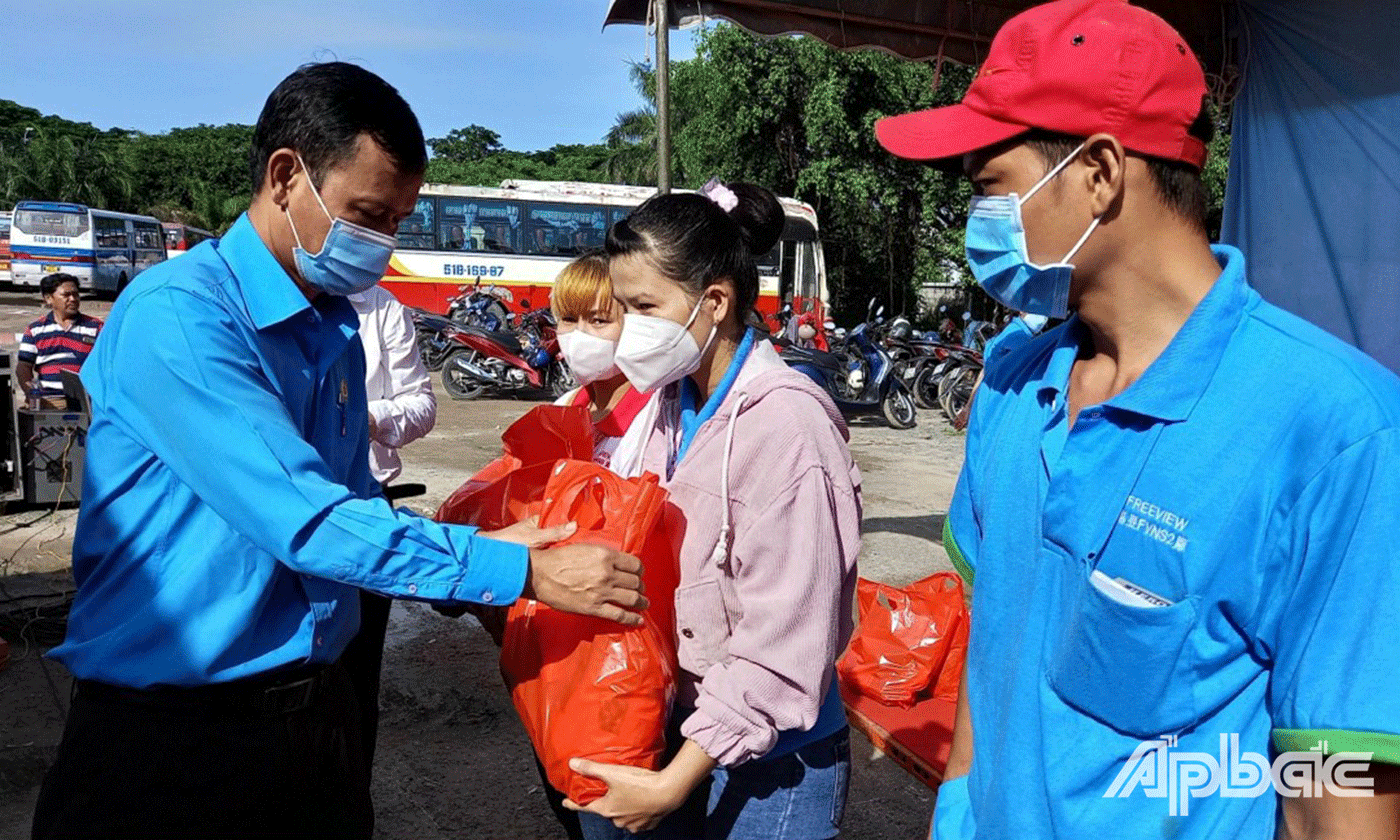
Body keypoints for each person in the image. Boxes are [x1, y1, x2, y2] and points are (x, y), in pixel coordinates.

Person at [31, 62, 646, 840]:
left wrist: (483, 554)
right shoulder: (182, 319)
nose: (382, 245)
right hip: (174, 736)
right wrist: (516, 570)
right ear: (287, 176)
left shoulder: (335, 331)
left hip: (315, 717)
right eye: (366, 215)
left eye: (396, 222)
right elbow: (309, 520)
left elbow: (359, 511)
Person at [874, 1, 1400, 838]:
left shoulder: (1336, 433)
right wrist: (957, 811)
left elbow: (1338, 788)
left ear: (1101, 172)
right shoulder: (1013, 384)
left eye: (990, 188)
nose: (977, 222)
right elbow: (995, 652)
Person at [566, 179, 862, 840]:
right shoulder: (671, 406)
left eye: (643, 306)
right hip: (690, 728)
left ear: (715, 302)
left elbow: (788, 639)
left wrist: (671, 784)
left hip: (774, 764)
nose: (628, 329)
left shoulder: (787, 427)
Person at [339, 283, 438, 773]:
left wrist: (362, 417)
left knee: (356, 681)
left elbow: (421, 405)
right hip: (284, 507)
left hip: (368, 504)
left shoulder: (381, 309)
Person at [552, 251, 659, 477]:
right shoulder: (562, 408)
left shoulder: (656, 420)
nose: (579, 334)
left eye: (599, 320)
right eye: (569, 319)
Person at [16, 273, 102, 409]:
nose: (73, 299)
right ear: (49, 299)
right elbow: (23, 367)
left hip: (86, 401)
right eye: (66, 295)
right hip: (49, 401)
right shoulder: (35, 330)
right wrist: (30, 393)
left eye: (76, 294)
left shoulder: (96, 327)